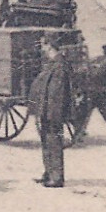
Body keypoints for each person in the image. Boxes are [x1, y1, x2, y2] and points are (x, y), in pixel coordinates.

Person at [29, 37, 73, 187]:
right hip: (46, 111)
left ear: (50, 46)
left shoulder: (60, 66)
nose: (42, 49)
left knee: (54, 142)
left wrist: (53, 115)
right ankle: (48, 173)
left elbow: (57, 94)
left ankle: (57, 177)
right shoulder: (52, 64)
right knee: (46, 141)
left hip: (53, 113)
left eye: (43, 45)